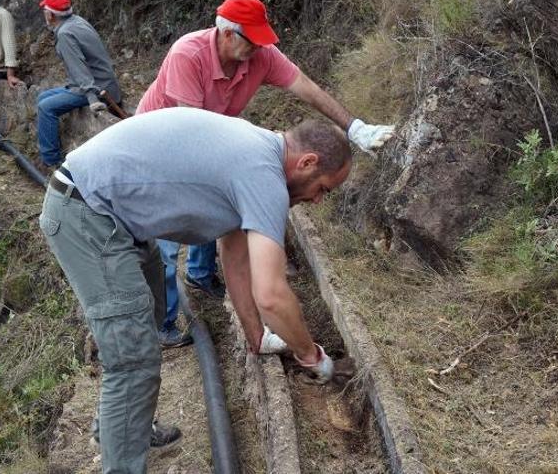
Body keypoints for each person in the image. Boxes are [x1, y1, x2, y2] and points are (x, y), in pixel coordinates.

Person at [39, 107, 348, 473]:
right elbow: (272, 295)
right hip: (86, 214)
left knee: (147, 321)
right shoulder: (264, 175)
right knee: (133, 357)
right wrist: (312, 356)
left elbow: (234, 257)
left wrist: (256, 335)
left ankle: (120, 429)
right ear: (307, 162)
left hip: (112, 216)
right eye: (322, 189)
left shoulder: (258, 154)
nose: (317, 200)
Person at [137, 0, 395, 348]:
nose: (259, 49)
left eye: (262, 41)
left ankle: (200, 274)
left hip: (209, 136)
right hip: (161, 149)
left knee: (219, 205)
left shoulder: (259, 56)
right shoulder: (189, 54)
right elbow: (191, 134)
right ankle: (162, 325)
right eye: (252, 40)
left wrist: (354, 127)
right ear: (227, 34)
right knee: (167, 235)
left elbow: (307, 88)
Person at [35, 0, 123, 173]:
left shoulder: (65, 34)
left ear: (51, 15)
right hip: (99, 83)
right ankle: (51, 143)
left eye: (45, 10)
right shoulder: (77, 21)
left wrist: (92, 98)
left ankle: (51, 163)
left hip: (96, 89)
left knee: (46, 107)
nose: (44, 13)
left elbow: (79, 69)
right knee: (43, 97)